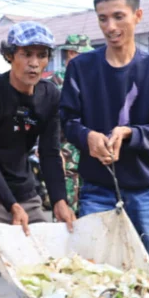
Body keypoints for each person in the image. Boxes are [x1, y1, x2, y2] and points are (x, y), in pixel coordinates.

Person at [60, 0, 149, 282]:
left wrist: (130, 135)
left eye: (118, 16)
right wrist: (88, 137)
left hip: (144, 187)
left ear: (137, 16)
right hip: (96, 188)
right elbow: (68, 121)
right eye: (102, 18)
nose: (110, 26)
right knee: (94, 270)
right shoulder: (81, 68)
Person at [0, 21, 76, 298]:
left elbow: (50, 153)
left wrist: (61, 201)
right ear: (11, 55)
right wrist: (11, 204)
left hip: (26, 194)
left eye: (41, 55)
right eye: (27, 54)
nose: (34, 63)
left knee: (49, 273)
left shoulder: (50, 94)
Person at [49, 34, 94, 211]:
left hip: (86, 146)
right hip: (64, 148)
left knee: (87, 200)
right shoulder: (56, 81)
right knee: (66, 201)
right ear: (70, 54)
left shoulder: (89, 78)